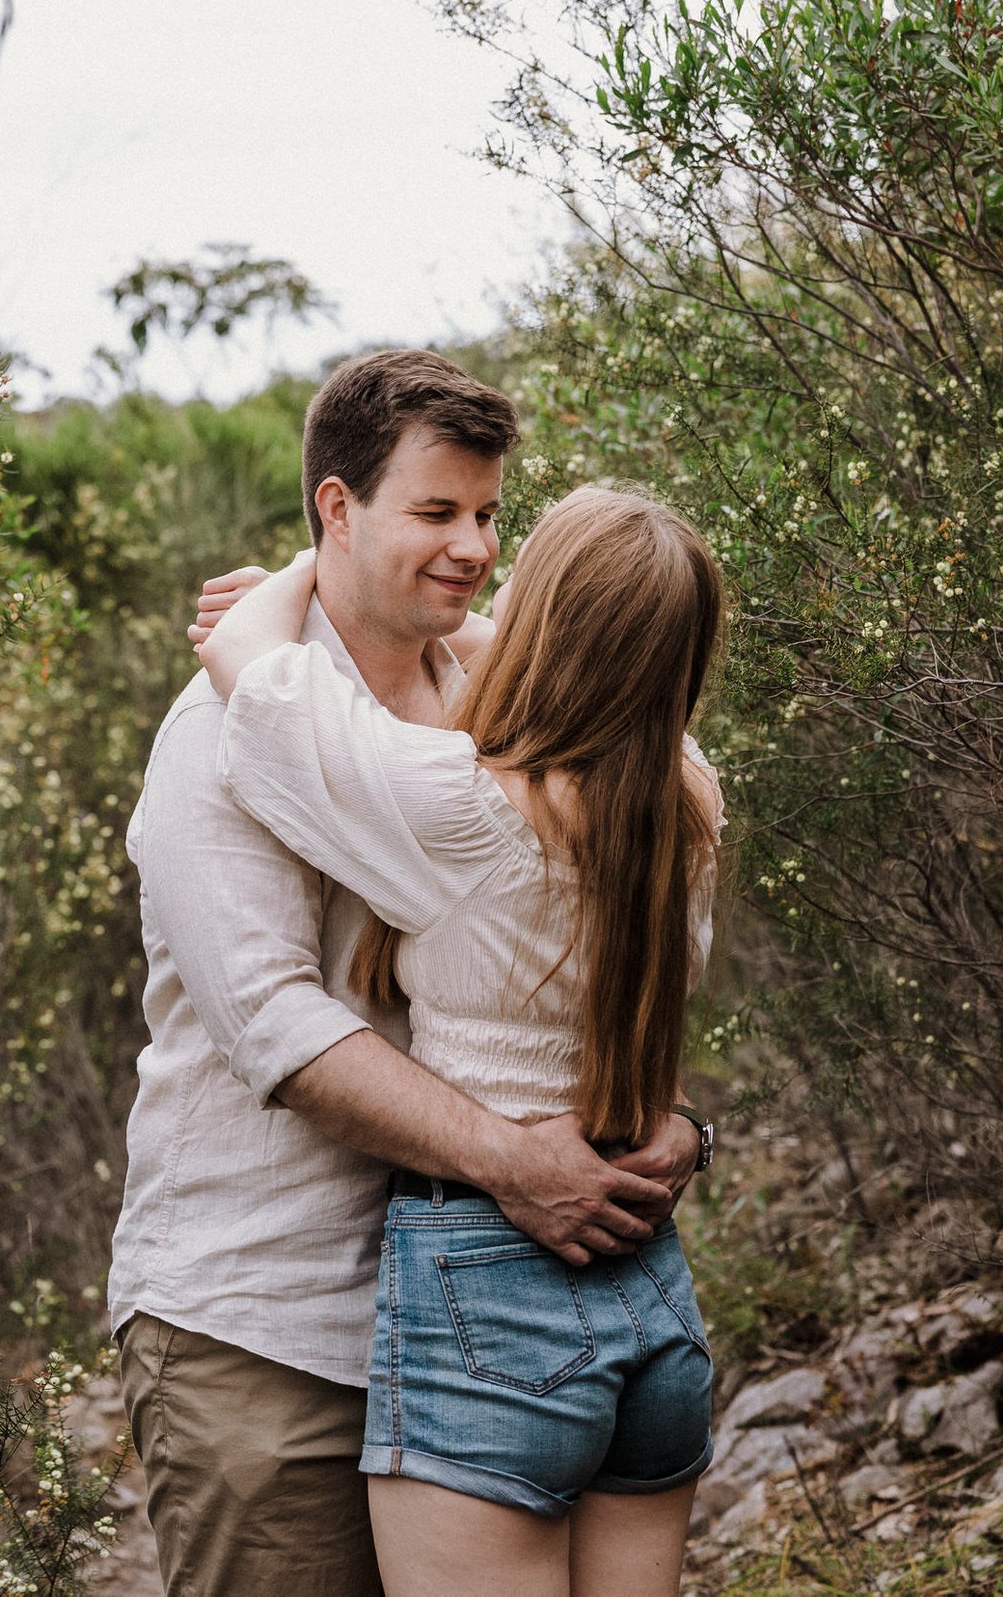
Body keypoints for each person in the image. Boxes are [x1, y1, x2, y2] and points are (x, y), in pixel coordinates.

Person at [107, 351, 710, 1597]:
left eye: (490, 515)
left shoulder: (491, 703)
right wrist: (513, 1157)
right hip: (268, 1322)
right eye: (435, 511)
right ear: (337, 507)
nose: (473, 546)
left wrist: (665, 1122)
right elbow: (274, 1023)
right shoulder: (219, 734)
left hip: (476, 1300)